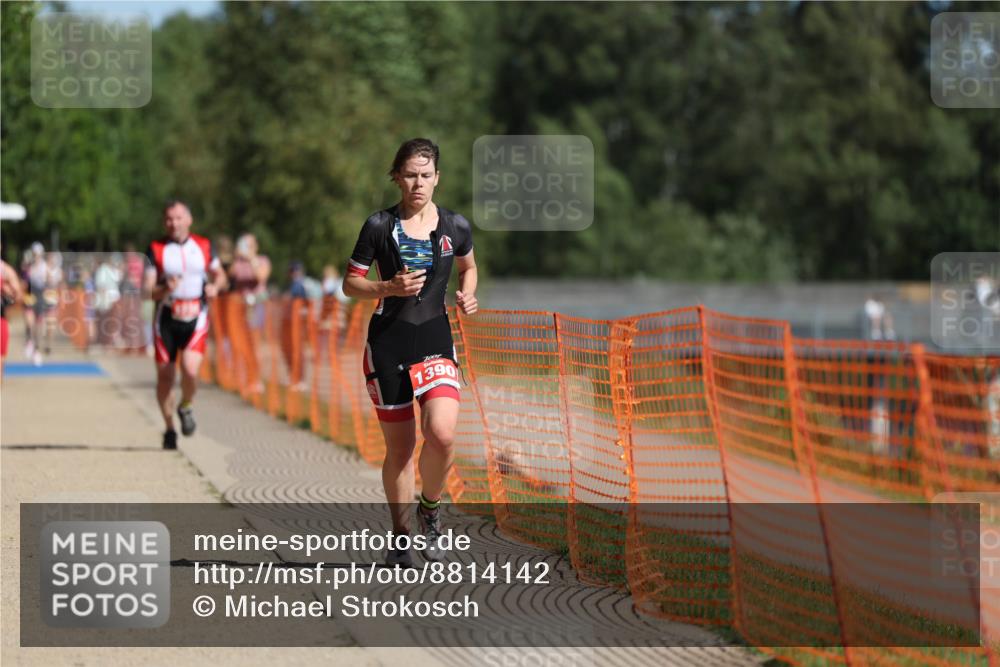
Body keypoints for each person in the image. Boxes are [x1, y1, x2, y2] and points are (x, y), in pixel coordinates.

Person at [343, 138, 478, 568]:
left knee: (442, 434)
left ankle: (431, 511)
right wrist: (386, 287)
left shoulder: (455, 225)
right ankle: (401, 536)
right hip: (388, 343)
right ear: (396, 177)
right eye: (409, 175)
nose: (418, 183)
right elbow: (351, 283)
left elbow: (468, 267)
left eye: (426, 175)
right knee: (400, 449)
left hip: (435, 339)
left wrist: (468, 294)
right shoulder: (379, 225)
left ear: (437, 178)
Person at [144, 200, 227, 450]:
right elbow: (147, 290)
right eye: (169, 219)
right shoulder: (156, 249)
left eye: (178, 218)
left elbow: (220, 274)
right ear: (164, 222)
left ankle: (186, 406)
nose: (174, 223)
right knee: (165, 377)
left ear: (189, 220)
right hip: (166, 319)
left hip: (195, 316)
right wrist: (163, 288)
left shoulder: (203, 246)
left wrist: (215, 287)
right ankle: (169, 428)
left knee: (190, 371)